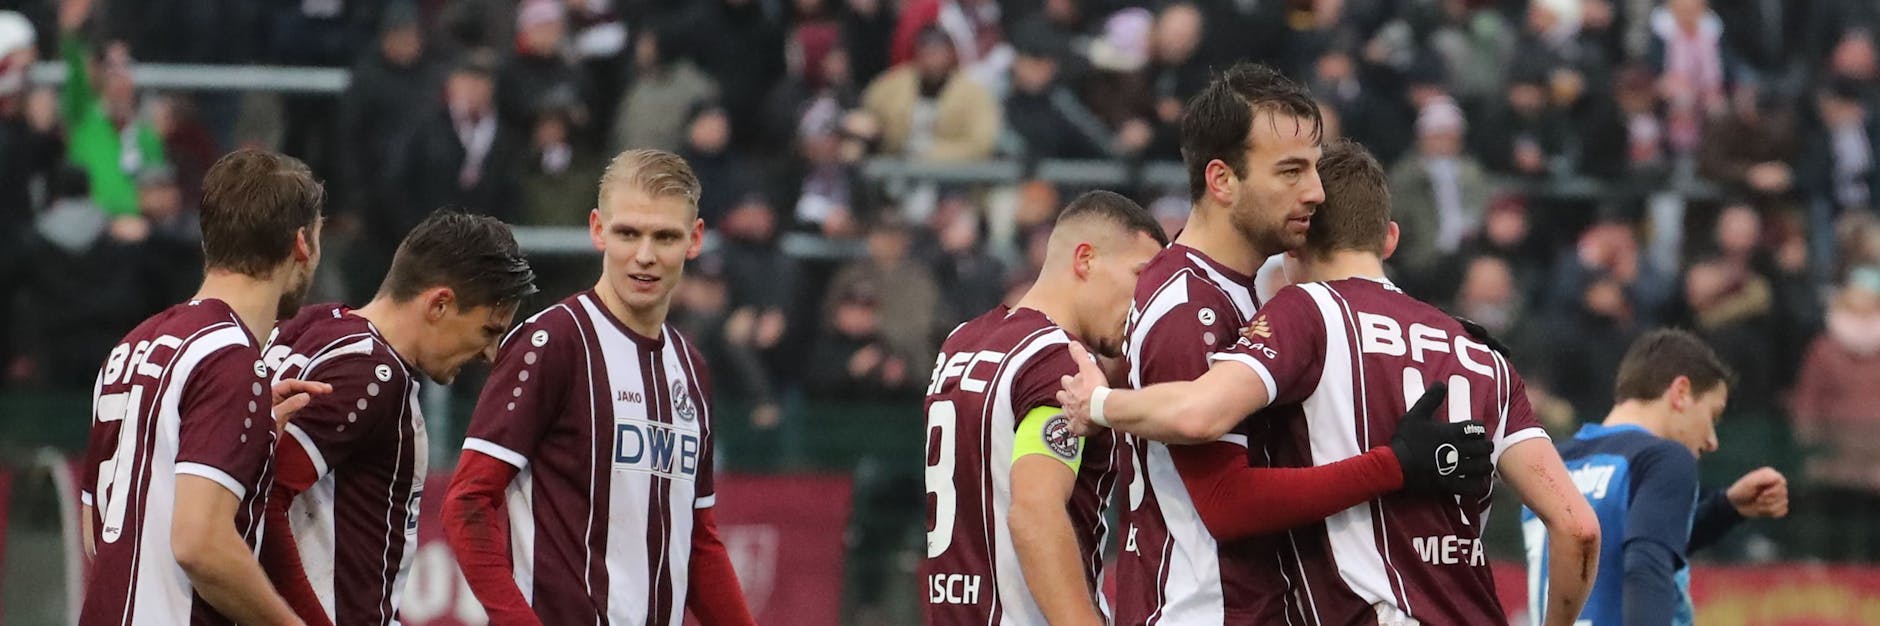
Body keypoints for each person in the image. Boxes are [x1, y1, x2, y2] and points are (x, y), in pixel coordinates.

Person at [1058, 139, 1602, 625]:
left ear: (1295, 240)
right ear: (1389, 238)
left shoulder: (1306, 312)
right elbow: (1578, 527)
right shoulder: (1480, 352)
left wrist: (1101, 403)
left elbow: (1201, 412)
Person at [1069, 62, 1489, 625]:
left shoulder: (1248, 292)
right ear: (1222, 181)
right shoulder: (1189, 307)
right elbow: (1226, 502)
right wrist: (1395, 466)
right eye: (1290, 172)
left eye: (1314, 169)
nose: (1315, 192)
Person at [441, 149, 754, 625]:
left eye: (665, 236)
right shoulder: (552, 342)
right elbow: (468, 501)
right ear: (597, 230)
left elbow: (697, 540)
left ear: (694, 240)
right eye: (629, 232)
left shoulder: (690, 366)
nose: (645, 255)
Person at [78, 149, 330, 625]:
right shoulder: (230, 359)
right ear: (301, 244)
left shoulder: (133, 346)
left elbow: (100, 535)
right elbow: (200, 544)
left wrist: (243, 427)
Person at [257, 211, 537, 626]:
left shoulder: (313, 326)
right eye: (487, 331)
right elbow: (265, 497)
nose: (490, 355)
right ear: (439, 304)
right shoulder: (371, 375)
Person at [920, 190, 1168, 625]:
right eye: (1140, 276)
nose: (1145, 301)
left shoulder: (962, 342)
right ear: (1085, 259)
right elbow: (1035, 511)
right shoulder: (1057, 362)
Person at [1524, 329, 1790, 626]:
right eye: (1712, 416)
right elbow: (1647, 564)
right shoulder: (1663, 458)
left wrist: (1725, 508)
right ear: (1680, 393)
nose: (1712, 440)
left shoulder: (1552, 463)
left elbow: (1623, 546)